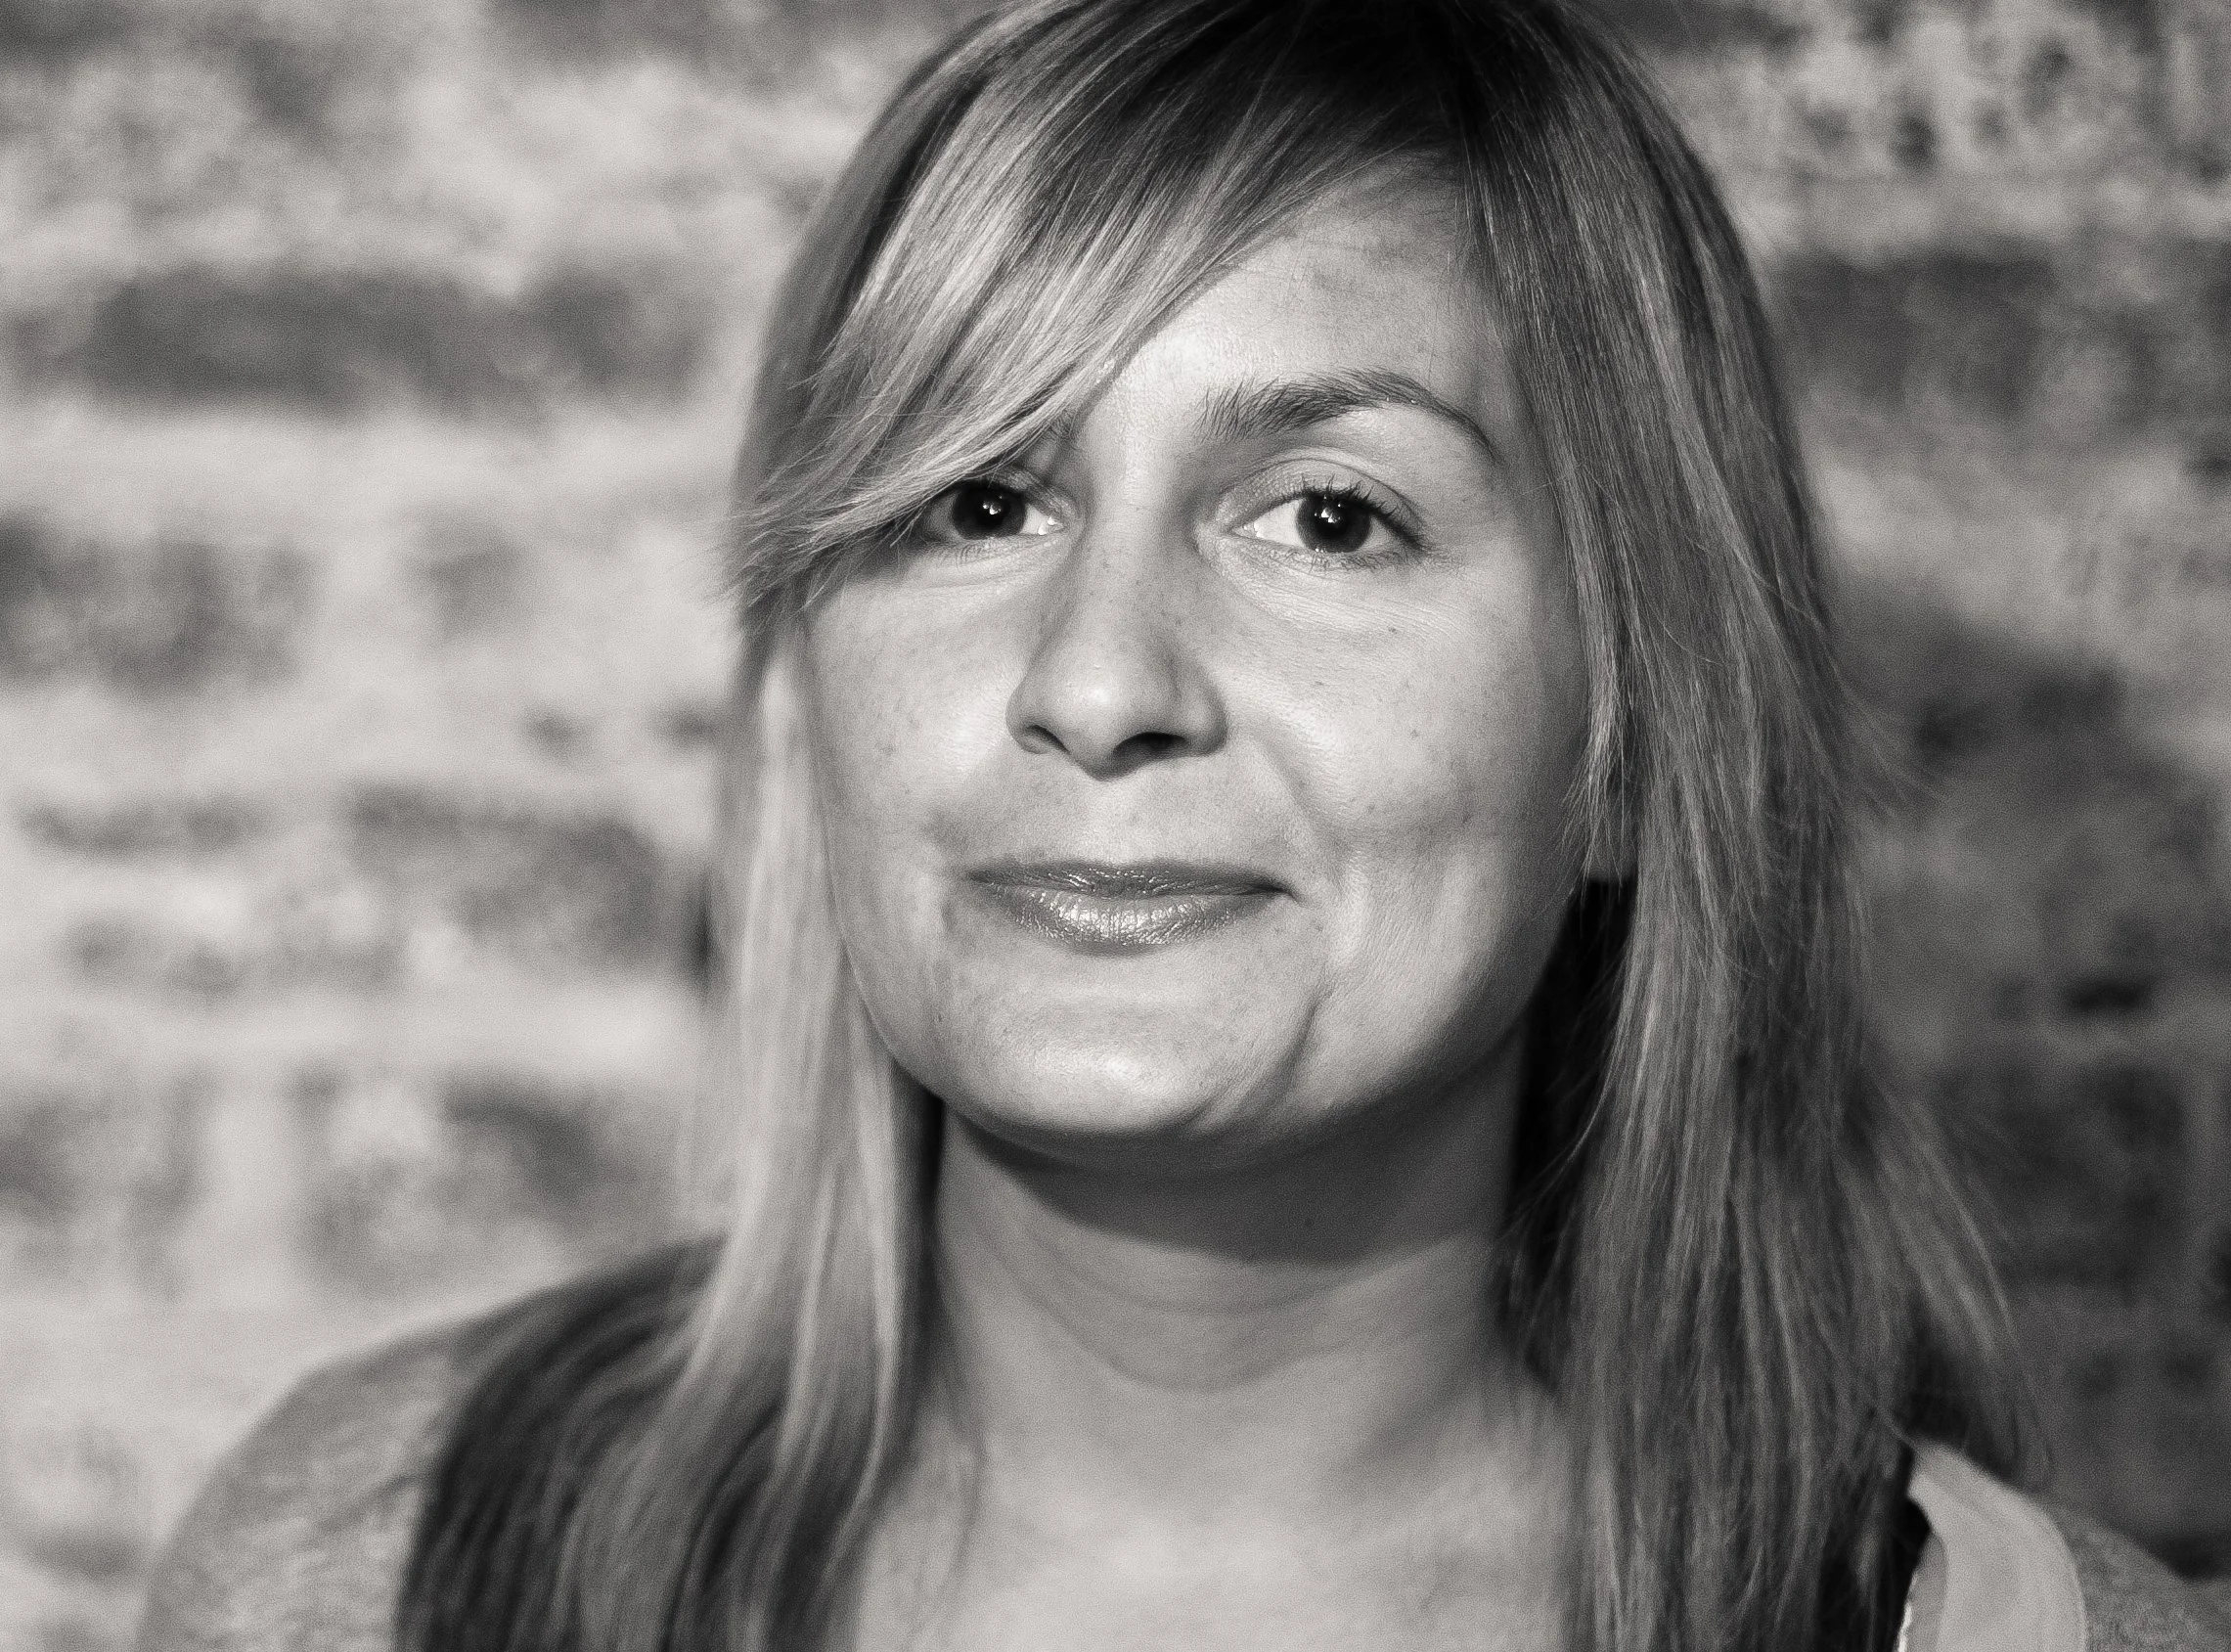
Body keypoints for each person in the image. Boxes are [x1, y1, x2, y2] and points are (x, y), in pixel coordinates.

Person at [135, 1, 2231, 1649]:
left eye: (1330, 516)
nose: (1100, 678)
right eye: (980, 500)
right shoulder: (370, 1562)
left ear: (1626, 737)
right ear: (803, 692)